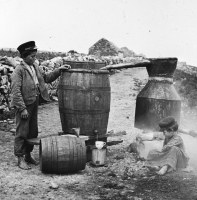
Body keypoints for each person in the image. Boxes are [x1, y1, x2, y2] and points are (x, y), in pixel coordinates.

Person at [11, 41, 71, 170]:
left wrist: (59, 70)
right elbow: (15, 91)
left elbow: (46, 78)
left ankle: (28, 154)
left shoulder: (35, 67)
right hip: (24, 105)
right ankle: (20, 158)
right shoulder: (19, 70)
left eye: (35, 56)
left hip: (34, 103)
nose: (34, 58)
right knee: (22, 131)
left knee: (33, 131)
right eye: (31, 56)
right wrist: (22, 108)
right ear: (24, 56)